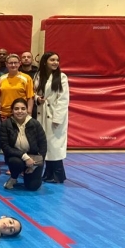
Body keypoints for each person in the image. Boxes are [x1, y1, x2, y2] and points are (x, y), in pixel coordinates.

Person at [34, 52, 69, 184]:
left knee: (55, 146)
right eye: (52, 60)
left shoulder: (61, 77)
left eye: (57, 60)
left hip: (54, 115)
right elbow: (34, 92)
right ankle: (48, 173)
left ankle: (58, 174)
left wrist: (57, 119)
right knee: (44, 145)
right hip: (41, 114)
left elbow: (63, 100)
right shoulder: (38, 75)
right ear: (45, 61)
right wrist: (38, 99)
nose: (55, 62)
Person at [0, 98, 47, 191]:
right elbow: (5, 147)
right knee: (15, 162)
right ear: (12, 111)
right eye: (16, 109)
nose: (19, 111)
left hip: (33, 159)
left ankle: (29, 175)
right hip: (16, 157)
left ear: (27, 110)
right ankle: (13, 178)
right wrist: (24, 156)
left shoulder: (35, 124)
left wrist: (35, 165)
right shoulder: (5, 124)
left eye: (23, 108)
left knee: (33, 187)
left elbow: (43, 146)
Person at [0, 54, 34, 120]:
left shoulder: (27, 78)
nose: (13, 65)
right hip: (4, 114)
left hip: (20, 113)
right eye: (11, 63)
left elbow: (30, 97)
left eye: (15, 63)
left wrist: (29, 113)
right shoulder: (1, 79)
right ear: (6, 64)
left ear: (19, 63)